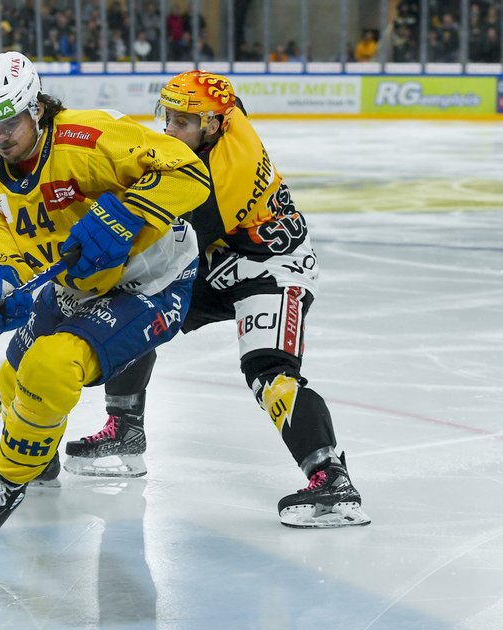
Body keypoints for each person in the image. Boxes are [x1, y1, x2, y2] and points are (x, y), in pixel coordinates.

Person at [67, 70, 371, 530]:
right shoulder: (221, 120)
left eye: (182, 122)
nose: (169, 130)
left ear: (212, 126)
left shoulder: (225, 174)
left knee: (269, 371)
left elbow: (165, 243)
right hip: (223, 254)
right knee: (138, 309)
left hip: (272, 265)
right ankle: (125, 430)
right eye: (167, 117)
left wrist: (96, 263)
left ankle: (332, 479)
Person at [0, 52, 211, 544]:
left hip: (152, 279)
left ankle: (10, 480)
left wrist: (127, 214)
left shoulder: (90, 139)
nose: (0, 136)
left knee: (50, 367)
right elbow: (3, 252)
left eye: (9, 122)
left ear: (37, 109)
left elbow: (189, 172)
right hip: (81, 283)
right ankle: (38, 456)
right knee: (14, 371)